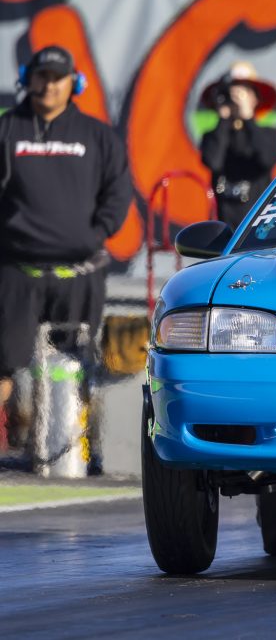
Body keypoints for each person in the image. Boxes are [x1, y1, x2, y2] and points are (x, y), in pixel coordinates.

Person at [0, 45, 133, 451]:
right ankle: (10, 439)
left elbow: (119, 189)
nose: (48, 85)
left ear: (73, 84)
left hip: (79, 272)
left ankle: (73, 448)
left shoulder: (96, 135)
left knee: (74, 364)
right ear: (28, 78)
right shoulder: (8, 129)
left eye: (57, 78)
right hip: (17, 271)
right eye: (42, 76)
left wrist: (97, 232)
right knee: (4, 363)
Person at [199, 61, 276, 231]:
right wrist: (223, 118)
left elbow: (267, 159)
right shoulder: (214, 136)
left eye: (242, 92)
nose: (235, 98)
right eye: (230, 93)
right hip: (223, 229)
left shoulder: (267, 134)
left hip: (258, 229)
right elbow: (213, 161)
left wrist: (247, 117)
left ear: (255, 99)